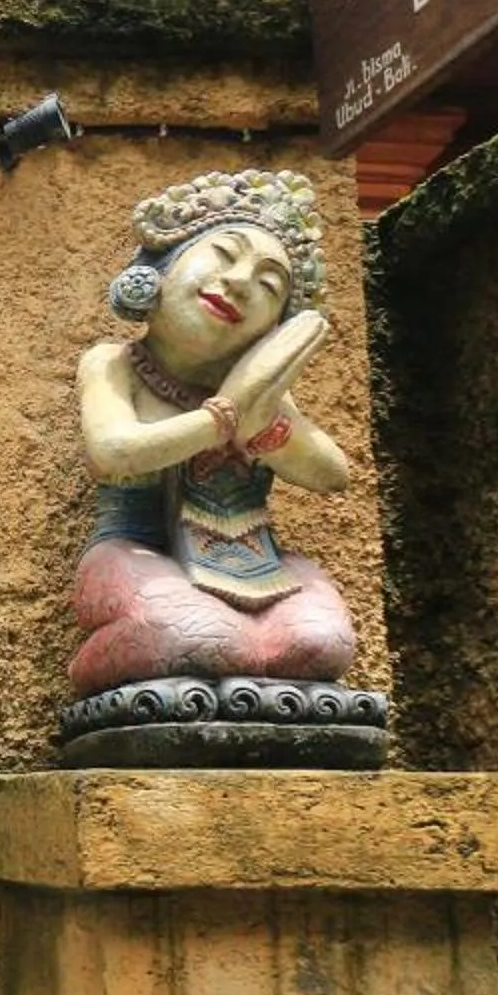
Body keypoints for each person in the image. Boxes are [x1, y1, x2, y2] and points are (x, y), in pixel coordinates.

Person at [68, 169, 357, 697]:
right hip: (134, 552)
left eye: (270, 285)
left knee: (323, 644)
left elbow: (334, 474)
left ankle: (242, 686)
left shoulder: (263, 397)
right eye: (224, 255)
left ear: (272, 333)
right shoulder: (115, 364)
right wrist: (217, 421)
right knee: (199, 640)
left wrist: (262, 422)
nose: (242, 282)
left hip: (256, 562)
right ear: (161, 267)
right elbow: (113, 451)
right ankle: (97, 689)